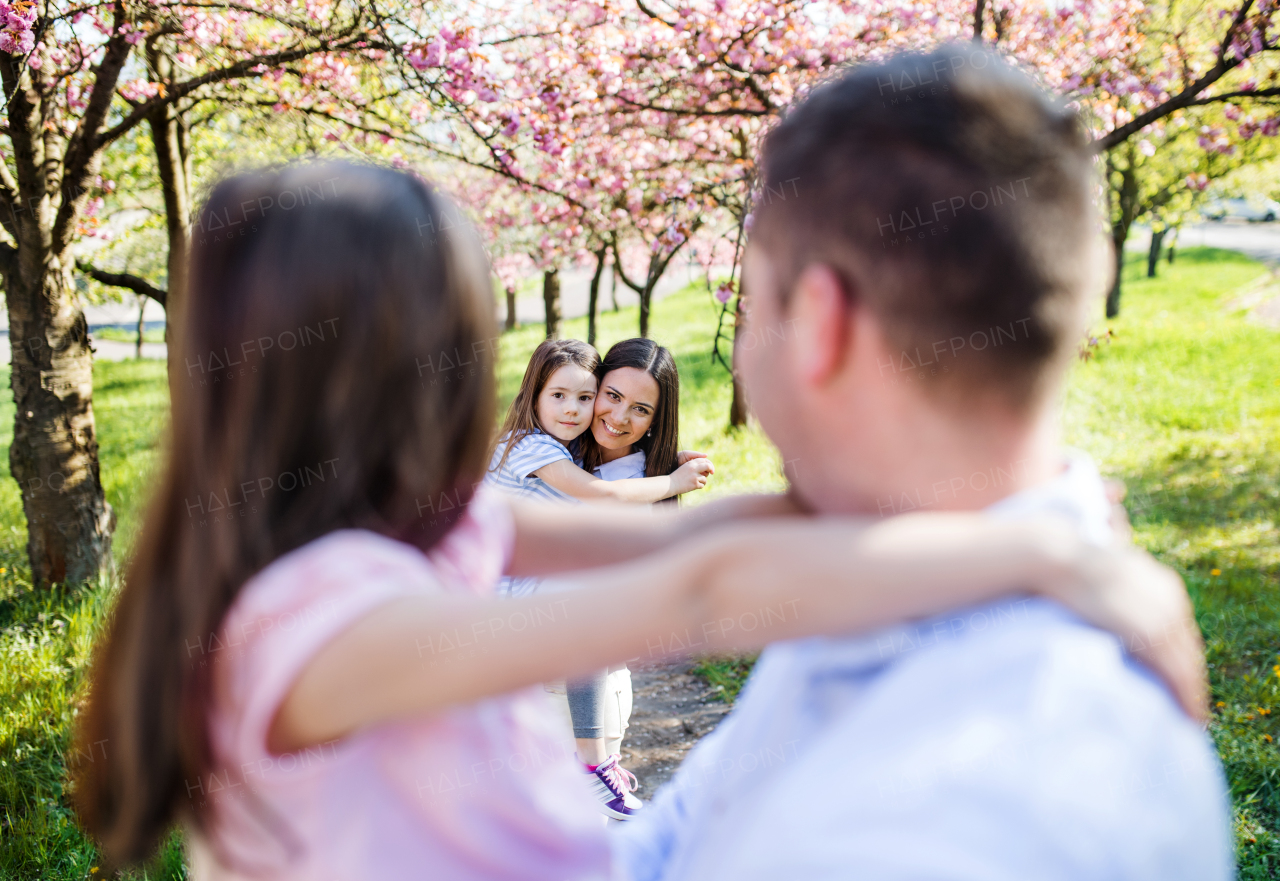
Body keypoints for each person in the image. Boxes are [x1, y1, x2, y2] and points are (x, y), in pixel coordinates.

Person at [73, 160, 1204, 881]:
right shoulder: (306, 629)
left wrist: (971, 502)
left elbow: (687, 537)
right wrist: (1034, 551)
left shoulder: (423, 527)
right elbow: (696, 597)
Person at [614, 46, 1231, 881]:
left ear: (821, 324)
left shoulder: (979, 815)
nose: (739, 359)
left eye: (751, 302)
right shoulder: (880, 577)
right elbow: (662, 847)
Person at [486, 336, 710, 819]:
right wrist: (671, 477)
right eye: (610, 397)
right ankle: (592, 770)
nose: (617, 416)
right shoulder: (544, 450)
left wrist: (668, 462)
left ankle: (594, 770)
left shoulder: (620, 469)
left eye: (640, 409)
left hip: (576, 664)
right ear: (536, 395)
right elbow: (598, 494)